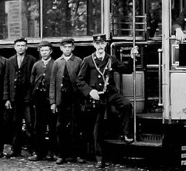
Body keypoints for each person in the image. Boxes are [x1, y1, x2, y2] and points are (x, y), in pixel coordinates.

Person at [77, 34, 139, 169]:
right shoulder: (88, 60)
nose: (100, 46)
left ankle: (126, 133)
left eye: (102, 43)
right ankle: (99, 159)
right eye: (97, 44)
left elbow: (126, 70)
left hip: (110, 93)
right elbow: (80, 81)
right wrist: (90, 92)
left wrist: (132, 57)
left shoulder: (111, 59)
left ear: (105, 45)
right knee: (97, 128)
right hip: (97, 96)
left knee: (127, 105)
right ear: (94, 45)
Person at [50, 37, 85, 164]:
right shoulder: (57, 62)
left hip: (74, 99)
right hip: (61, 99)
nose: (67, 49)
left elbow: (82, 81)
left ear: (73, 48)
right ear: (61, 48)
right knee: (60, 127)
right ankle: (61, 155)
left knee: (76, 127)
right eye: (65, 47)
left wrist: (82, 100)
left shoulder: (78, 61)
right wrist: (53, 102)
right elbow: (52, 82)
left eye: (70, 47)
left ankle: (77, 155)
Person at [3, 37, 37, 159]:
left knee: (30, 124)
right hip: (14, 98)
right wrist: (7, 98)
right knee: (15, 124)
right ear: (15, 47)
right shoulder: (9, 61)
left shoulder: (32, 60)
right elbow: (6, 80)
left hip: (28, 98)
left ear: (26, 47)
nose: (21, 47)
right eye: (18, 45)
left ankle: (32, 149)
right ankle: (15, 149)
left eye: (23, 45)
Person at [28, 40, 56, 161]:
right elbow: (31, 81)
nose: (44, 53)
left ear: (51, 51)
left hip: (50, 99)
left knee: (52, 126)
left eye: (46, 50)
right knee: (38, 126)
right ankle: (38, 152)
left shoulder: (55, 64)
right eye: (42, 50)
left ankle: (51, 152)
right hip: (39, 99)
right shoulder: (37, 64)